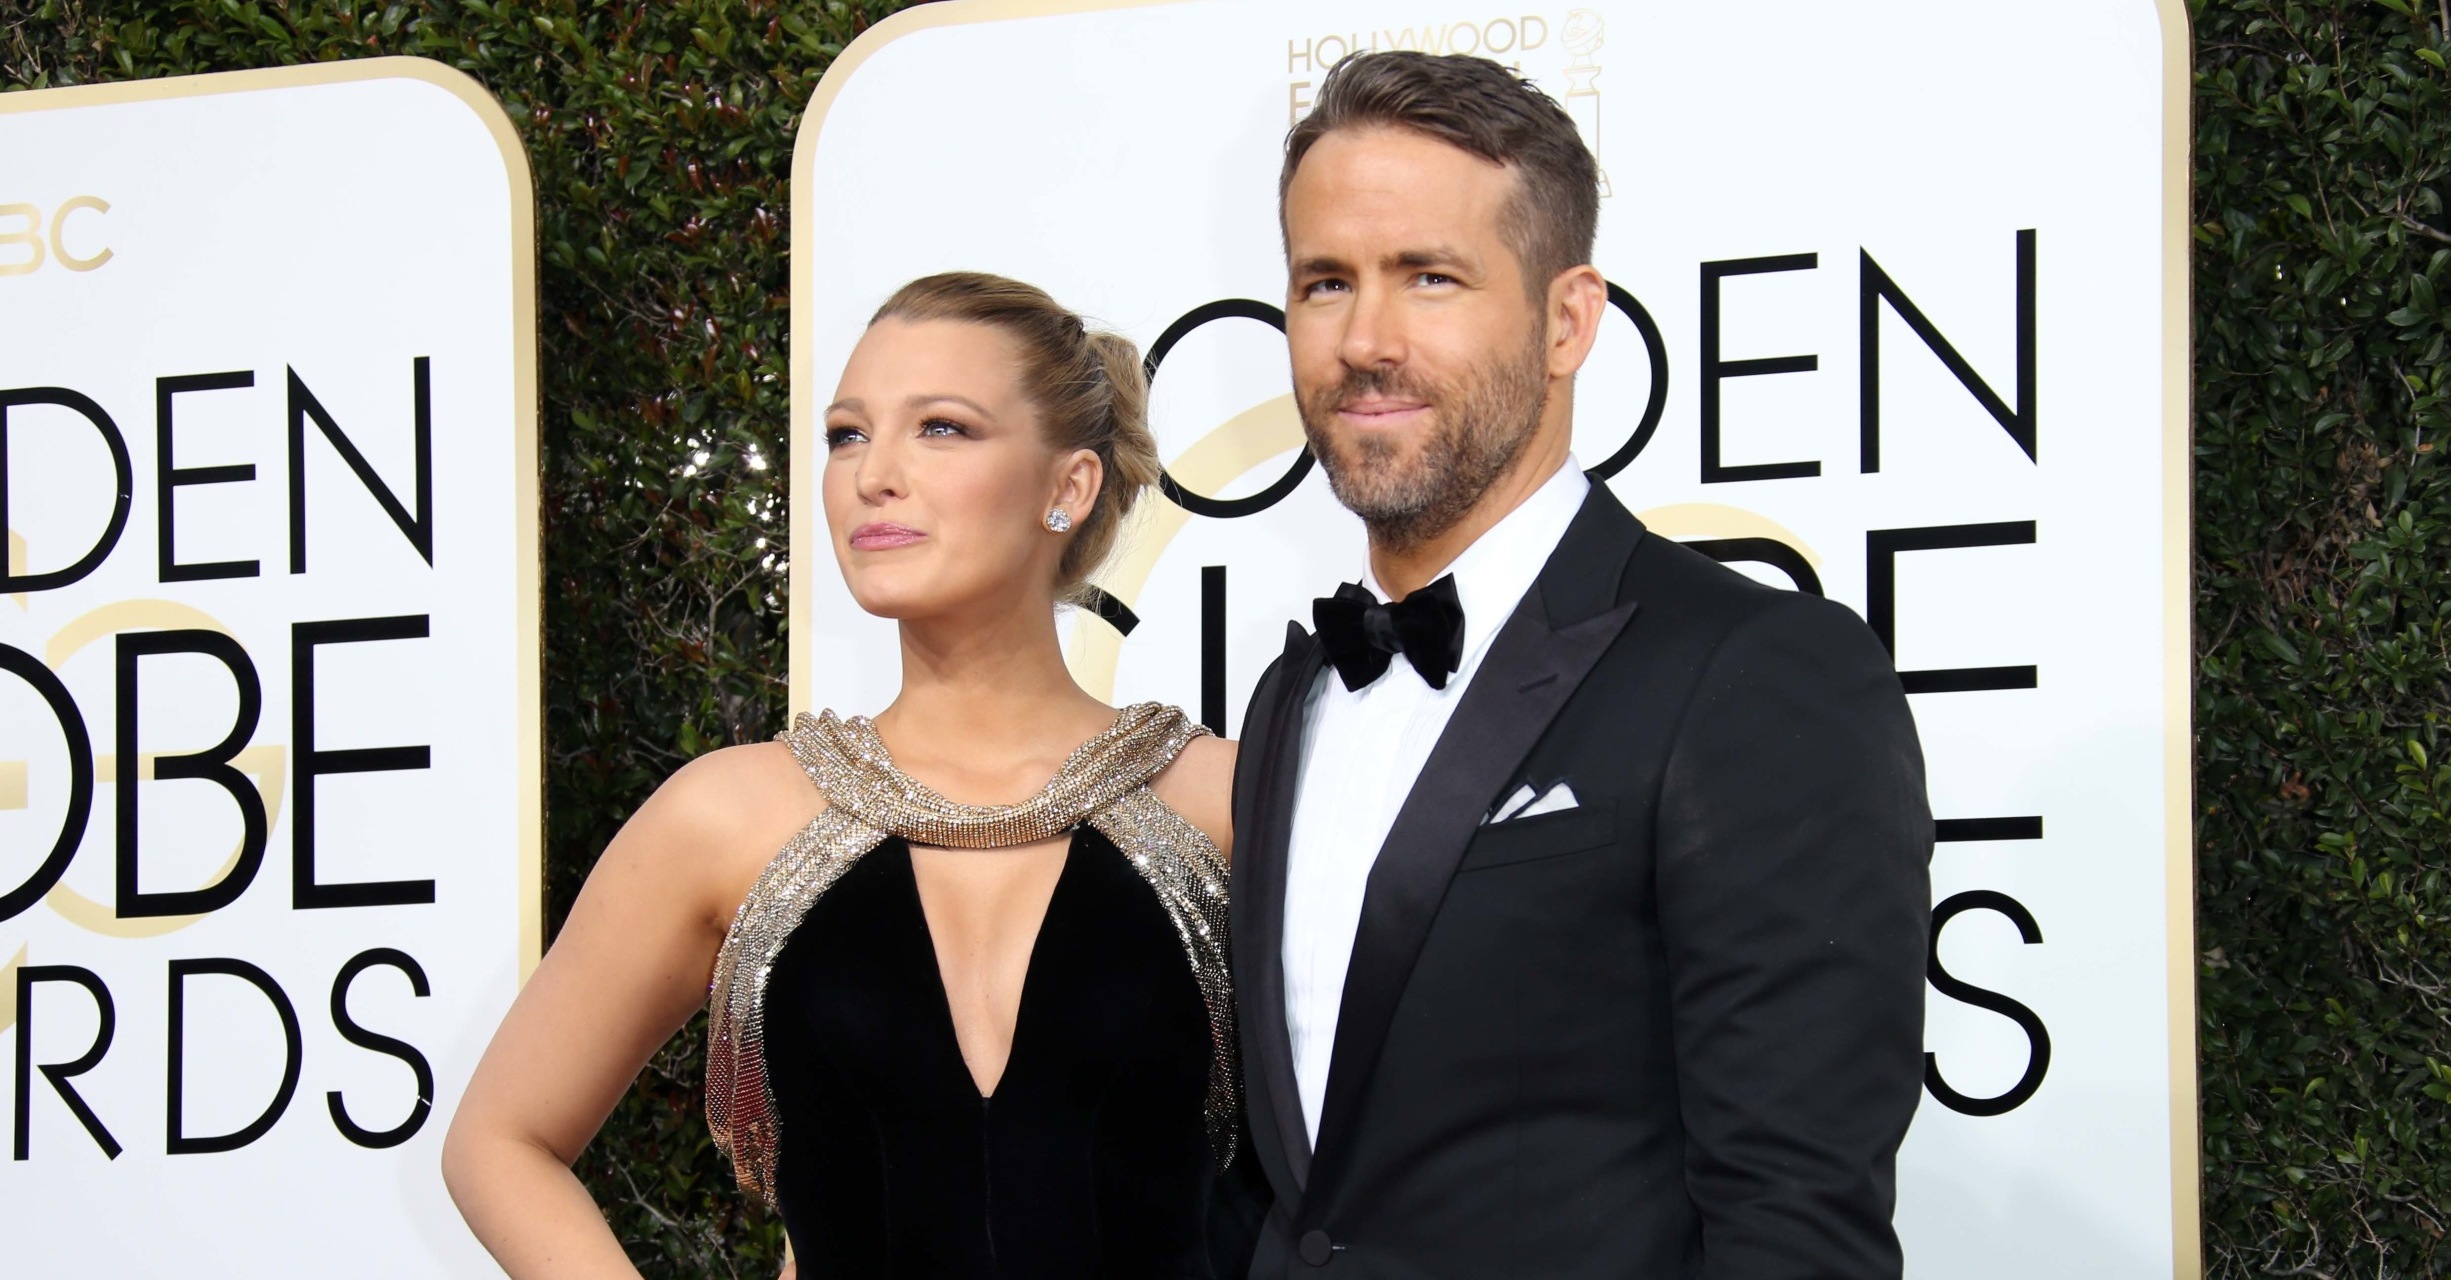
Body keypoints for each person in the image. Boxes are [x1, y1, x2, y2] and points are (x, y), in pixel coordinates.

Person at [1227, 52, 1935, 1278]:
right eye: (1325, 282)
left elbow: (1795, 1219)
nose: (1364, 341)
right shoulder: (1293, 694)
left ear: (1568, 321)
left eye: (1430, 277)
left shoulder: (1751, 671)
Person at [444, 272, 1244, 1279]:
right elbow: (499, 1140)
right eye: (847, 435)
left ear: (1069, 486)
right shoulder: (730, 818)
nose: (874, 474)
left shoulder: (1222, 802)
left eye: (942, 428)